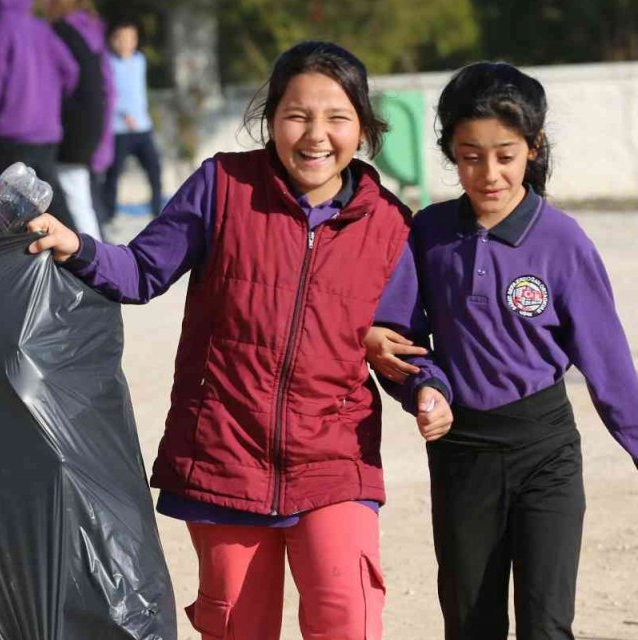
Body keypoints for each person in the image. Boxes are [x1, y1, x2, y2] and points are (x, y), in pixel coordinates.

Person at [26, 41, 454, 640]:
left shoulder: (388, 222)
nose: (316, 136)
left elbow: (399, 340)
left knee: (349, 617)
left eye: (337, 118)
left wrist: (428, 389)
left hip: (335, 457)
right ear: (271, 118)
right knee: (237, 628)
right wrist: (76, 245)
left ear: (363, 127)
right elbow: (141, 272)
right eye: (297, 116)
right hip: (224, 452)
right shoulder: (222, 186)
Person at [367, 62, 638, 640]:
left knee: (546, 626)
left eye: (505, 154)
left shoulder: (562, 242)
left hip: (546, 452)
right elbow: (398, 339)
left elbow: (610, 369)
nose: (488, 172)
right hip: (461, 452)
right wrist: (424, 387)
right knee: (471, 624)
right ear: (450, 152)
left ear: (533, 149)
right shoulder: (429, 235)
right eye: (470, 155)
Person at [0, 0, 78, 230]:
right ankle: (75, 256)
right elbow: (71, 71)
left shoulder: (0, 30)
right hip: (46, 136)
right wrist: (49, 101)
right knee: (54, 208)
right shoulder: (42, 28)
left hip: (11, 137)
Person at [45, 0, 110, 241]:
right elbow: (107, 87)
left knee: (76, 197)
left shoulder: (59, 32)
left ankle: (94, 260)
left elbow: (68, 77)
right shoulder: (89, 33)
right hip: (91, 122)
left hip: (73, 128)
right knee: (81, 197)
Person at [104, 20, 162, 222]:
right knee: (113, 175)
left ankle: (158, 211)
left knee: (154, 169)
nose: (126, 43)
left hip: (142, 127)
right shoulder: (107, 63)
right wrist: (123, 113)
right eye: (121, 38)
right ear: (113, 40)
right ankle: (109, 215)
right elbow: (108, 95)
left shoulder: (140, 61)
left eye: (130, 38)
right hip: (118, 129)